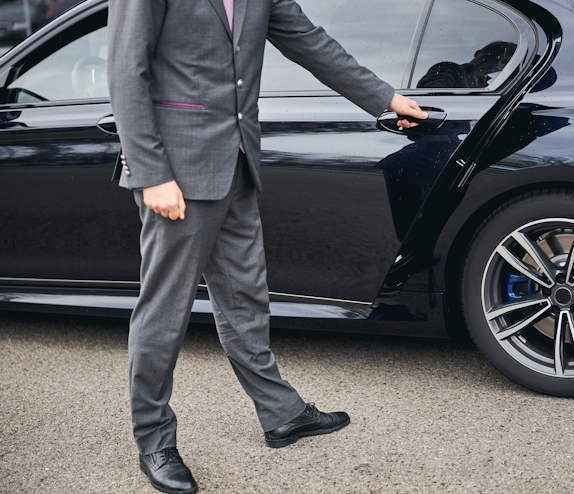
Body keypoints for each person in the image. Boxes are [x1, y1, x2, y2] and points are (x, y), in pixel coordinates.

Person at [106, 1, 427, 493]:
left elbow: (309, 40)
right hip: (177, 171)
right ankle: (153, 439)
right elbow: (127, 71)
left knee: (246, 297)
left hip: (236, 162)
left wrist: (384, 97)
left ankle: (282, 413)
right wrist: (151, 174)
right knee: (164, 310)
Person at [417, 41, 517, 89]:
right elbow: (433, 94)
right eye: (494, 57)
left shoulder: (488, 87)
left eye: (504, 63)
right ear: (478, 53)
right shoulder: (449, 70)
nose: (497, 62)